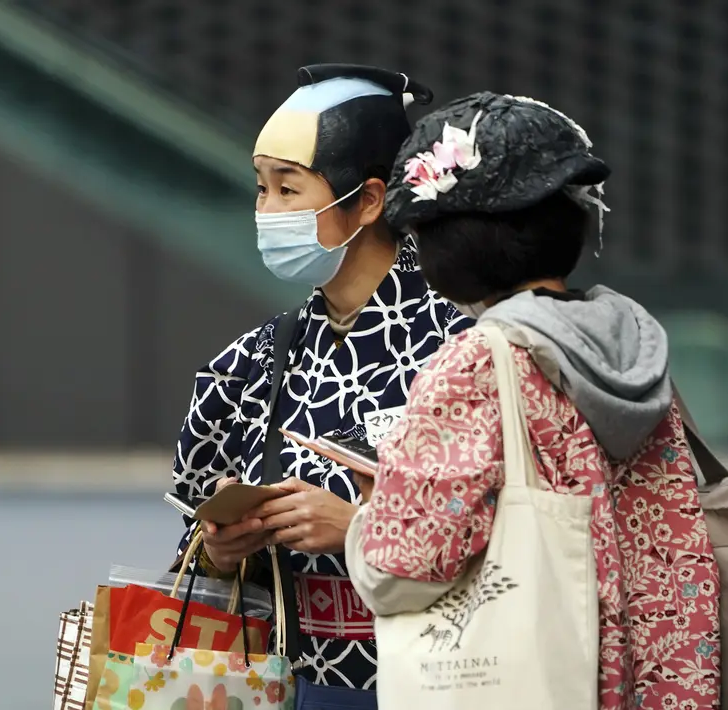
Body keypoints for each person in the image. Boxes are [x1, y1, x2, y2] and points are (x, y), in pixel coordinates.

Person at [345, 92, 721, 708]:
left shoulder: (479, 362)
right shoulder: (631, 341)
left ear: (450, 243)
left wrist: (367, 519)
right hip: (661, 683)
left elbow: (402, 571)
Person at [170, 64, 472, 689]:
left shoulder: (463, 347)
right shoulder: (249, 363)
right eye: (261, 188)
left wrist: (355, 531)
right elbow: (193, 532)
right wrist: (222, 552)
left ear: (368, 199)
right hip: (285, 682)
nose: (267, 210)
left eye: (288, 189)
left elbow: (507, 534)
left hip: (432, 682)